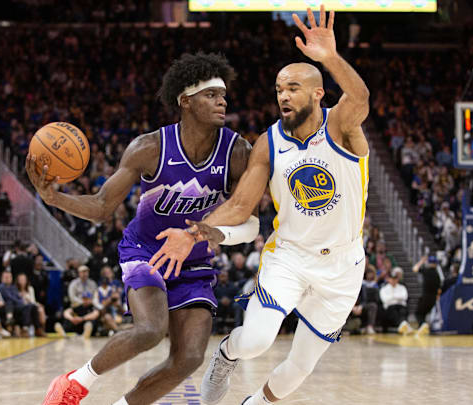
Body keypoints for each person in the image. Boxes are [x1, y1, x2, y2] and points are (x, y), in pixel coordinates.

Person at [148, 7, 370, 404]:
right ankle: (226, 355)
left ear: (318, 93)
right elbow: (239, 205)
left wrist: (330, 58)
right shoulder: (269, 143)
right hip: (290, 256)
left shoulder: (341, 125)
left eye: (293, 88)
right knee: (255, 341)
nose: (284, 95)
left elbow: (361, 96)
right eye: (279, 89)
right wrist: (193, 232)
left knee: (300, 367)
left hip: (343, 266)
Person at [27, 52, 255, 405]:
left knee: (189, 359)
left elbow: (247, 214)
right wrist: (54, 197)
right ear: (186, 101)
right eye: (211, 94)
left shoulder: (238, 152)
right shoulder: (149, 148)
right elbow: (103, 207)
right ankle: (74, 383)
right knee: (149, 330)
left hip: (194, 261)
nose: (222, 100)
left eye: (223, 94)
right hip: (145, 250)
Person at [412, 255, 443, 335]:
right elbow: (439, 288)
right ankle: (423, 327)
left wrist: (421, 261)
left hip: (426, 296)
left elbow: (415, 269)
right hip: (433, 298)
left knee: (418, 313)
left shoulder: (426, 271)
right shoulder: (437, 275)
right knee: (424, 313)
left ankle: (423, 327)